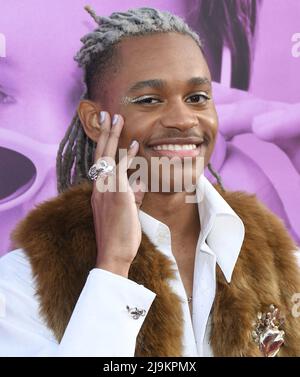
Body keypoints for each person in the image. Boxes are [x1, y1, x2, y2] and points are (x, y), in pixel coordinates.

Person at [0, 6, 299, 357]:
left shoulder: (282, 264)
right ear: (95, 121)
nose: (183, 120)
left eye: (197, 98)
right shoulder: (22, 284)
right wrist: (112, 266)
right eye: (149, 100)